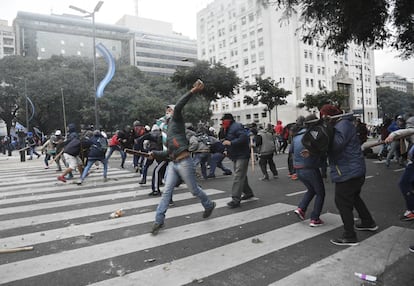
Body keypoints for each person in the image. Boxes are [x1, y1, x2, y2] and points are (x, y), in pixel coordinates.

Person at [149, 80, 216, 235]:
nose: (167, 111)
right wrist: (155, 154)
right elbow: (168, 153)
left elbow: (179, 105)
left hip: (185, 161)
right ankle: (158, 220)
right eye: (166, 110)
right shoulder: (167, 131)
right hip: (173, 163)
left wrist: (193, 90)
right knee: (166, 191)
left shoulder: (177, 121)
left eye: (169, 110)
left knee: (193, 190)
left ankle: (208, 204)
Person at [319, 104, 378, 246]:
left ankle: (349, 236)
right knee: (354, 197)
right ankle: (368, 222)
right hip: (352, 169)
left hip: (347, 171)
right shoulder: (343, 124)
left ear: (330, 115)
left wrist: (326, 131)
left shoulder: (342, 125)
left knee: (342, 202)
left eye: (324, 116)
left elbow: (336, 145)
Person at [292, 114, 326, 227]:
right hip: (310, 167)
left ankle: (301, 208)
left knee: (311, 189)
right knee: (320, 193)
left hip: (298, 168)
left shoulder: (296, 136)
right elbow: (320, 148)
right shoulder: (312, 134)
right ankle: (315, 218)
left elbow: (291, 150)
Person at [221, 113, 255, 208]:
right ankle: (248, 192)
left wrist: (231, 143)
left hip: (242, 155)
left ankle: (235, 199)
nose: (222, 122)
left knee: (238, 176)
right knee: (240, 175)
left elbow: (243, 138)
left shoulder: (236, 126)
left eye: (223, 120)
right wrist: (227, 149)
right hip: (236, 155)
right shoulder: (228, 128)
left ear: (229, 120)